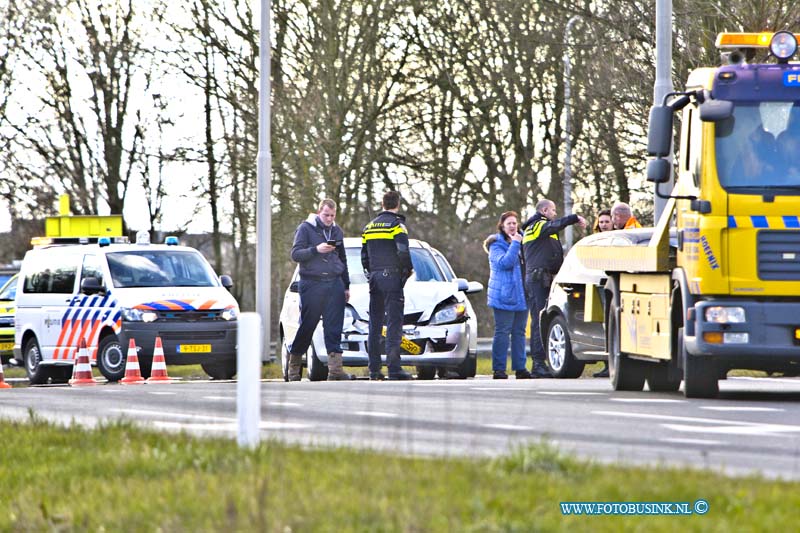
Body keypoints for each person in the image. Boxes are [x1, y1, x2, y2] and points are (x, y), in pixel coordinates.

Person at [286, 199, 353, 381]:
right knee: (308, 325)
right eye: (326, 215)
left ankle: (335, 370)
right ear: (318, 212)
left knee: (334, 327)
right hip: (312, 283)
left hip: (334, 283)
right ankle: (293, 368)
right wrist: (316, 249)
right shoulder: (305, 229)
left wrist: (346, 285)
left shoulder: (337, 231)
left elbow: (343, 259)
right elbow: (295, 254)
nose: (329, 219)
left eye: (332, 215)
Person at [522, 199, 587, 378]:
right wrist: (573, 218)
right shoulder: (536, 225)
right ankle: (537, 364)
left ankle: (544, 363)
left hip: (543, 278)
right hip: (537, 279)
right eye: (553, 210)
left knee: (543, 320)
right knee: (538, 320)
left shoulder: (541, 227)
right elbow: (554, 226)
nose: (555, 214)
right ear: (544, 210)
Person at [361, 190, 414, 381]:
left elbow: (364, 257)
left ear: (382, 204)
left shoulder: (369, 227)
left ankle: (374, 369)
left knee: (374, 324)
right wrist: (407, 271)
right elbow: (403, 252)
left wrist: (371, 274)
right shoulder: (397, 226)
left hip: (374, 278)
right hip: (392, 278)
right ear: (397, 205)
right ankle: (394, 368)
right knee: (393, 323)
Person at [483, 211, 531, 380]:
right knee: (502, 331)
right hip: (504, 295)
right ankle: (499, 369)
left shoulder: (524, 241)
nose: (512, 226)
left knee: (519, 332)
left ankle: (520, 368)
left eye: (514, 223)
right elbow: (505, 263)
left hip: (522, 294)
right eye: (509, 223)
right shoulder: (496, 245)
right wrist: (516, 244)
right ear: (502, 226)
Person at [592, 208, 613, 378]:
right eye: (601, 222)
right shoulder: (595, 240)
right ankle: (607, 364)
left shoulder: (618, 240)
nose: (604, 225)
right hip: (600, 285)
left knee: (612, 324)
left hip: (612, 285)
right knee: (604, 324)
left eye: (607, 221)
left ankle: (612, 364)